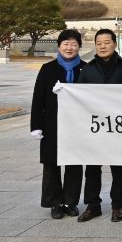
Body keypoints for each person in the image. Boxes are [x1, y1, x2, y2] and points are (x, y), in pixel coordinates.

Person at [30, 29, 86, 219]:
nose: (70, 48)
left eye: (74, 44)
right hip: (52, 124)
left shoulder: (86, 68)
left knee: (74, 165)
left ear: (79, 47)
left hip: (77, 126)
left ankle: (70, 202)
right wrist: (36, 126)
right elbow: (37, 99)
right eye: (66, 44)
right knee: (51, 164)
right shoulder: (48, 69)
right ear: (59, 46)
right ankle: (54, 203)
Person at [76, 29, 122, 223]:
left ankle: (118, 206)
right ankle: (93, 205)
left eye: (107, 42)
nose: (103, 46)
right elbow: (78, 98)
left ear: (115, 44)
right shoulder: (87, 70)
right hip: (95, 127)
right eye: (99, 43)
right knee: (92, 168)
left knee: (118, 167)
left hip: (119, 126)